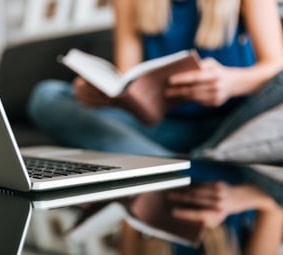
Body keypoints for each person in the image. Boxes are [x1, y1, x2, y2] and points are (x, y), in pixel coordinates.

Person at [28, 0, 283, 158]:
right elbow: (130, 81)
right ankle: (179, 166)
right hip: (163, 128)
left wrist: (230, 83)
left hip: (232, 127)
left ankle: (159, 165)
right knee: (48, 96)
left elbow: (276, 68)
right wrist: (100, 93)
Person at [121, 182, 283, 255]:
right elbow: (275, 206)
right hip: (236, 169)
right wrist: (235, 198)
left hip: (161, 167)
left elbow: (126, 213)